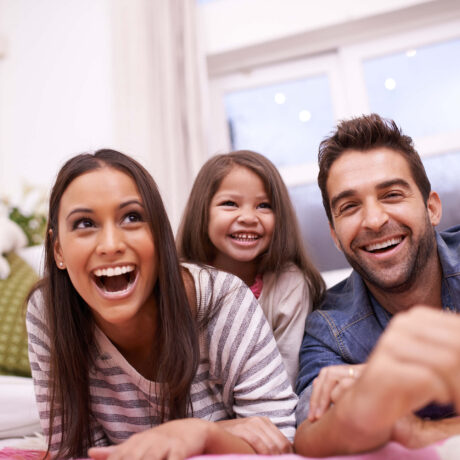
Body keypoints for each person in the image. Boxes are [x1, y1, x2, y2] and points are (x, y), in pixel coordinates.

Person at [26, 149, 297, 460]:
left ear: (160, 235)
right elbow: (72, 451)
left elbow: (279, 443)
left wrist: (201, 434)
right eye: (85, 223)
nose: (111, 245)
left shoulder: (224, 300)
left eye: (132, 218)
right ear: (58, 250)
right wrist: (217, 432)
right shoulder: (47, 312)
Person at [294, 114, 460, 456]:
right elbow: (309, 437)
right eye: (350, 206)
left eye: (392, 195)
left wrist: (428, 428)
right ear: (335, 237)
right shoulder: (328, 327)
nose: (374, 220)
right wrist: (370, 393)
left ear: (431, 208)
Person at [176, 150, 325, 387]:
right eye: (230, 204)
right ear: (202, 212)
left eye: (264, 206)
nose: (248, 217)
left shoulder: (289, 285)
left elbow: (285, 376)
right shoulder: (182, 283)